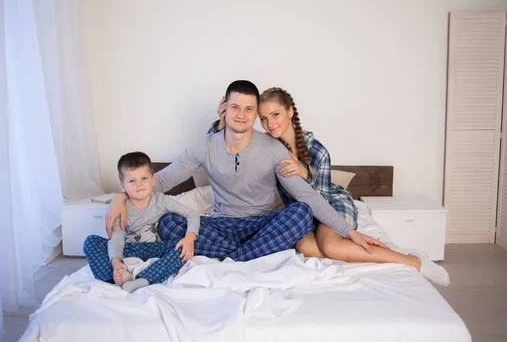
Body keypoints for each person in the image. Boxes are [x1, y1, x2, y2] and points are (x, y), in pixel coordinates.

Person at [105, 80, 387, 263]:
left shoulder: (273, 148)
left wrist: (349, 232)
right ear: (224, 109)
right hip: (221, 225)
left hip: (261, 223)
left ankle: (232, 260)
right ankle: (248, 257)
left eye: (249, 109)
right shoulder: (205, 146)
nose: (241, 115)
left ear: (255, 115)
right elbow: (162, 180)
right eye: (235, 107)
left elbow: (308, 196)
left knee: (300, 212)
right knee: (168, 222)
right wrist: (120, 199)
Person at [210, 87, 450, 286]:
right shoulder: (267, 147)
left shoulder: (316, 150)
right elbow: (227, 147)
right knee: (307, 248)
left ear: (290, 112)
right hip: (300, 213)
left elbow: (321, 199)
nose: (269, 123)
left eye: (275, 115)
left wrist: (305, 173)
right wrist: (220, 124)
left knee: (330, 245)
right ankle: (377, 250)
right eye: (263, 118)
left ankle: (413, 262)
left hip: (330, 205)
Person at [84, 152, 201, 293]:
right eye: (132, 181)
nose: (139, 184)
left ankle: (144, 279)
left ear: (153, 180)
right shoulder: (121, 208)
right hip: (132, 248)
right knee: (91, 241)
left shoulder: (161, 200)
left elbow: (192, 214)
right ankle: (117, 276)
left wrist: (189, 238)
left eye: (144, 178)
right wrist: (116, 262)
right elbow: (117, 239)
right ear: (123, 186)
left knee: (183, 248)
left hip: (157, 247)